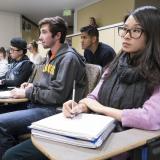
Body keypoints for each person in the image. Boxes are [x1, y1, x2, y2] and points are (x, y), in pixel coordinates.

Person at [63, 5, 160, 160]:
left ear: (152, 35)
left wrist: (102, 109)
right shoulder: (116, 63)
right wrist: (81, 106)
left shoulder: (156, 70)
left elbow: (151, 117)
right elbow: (94, 97)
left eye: (136, 30)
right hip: (97, 135)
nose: (126, 36)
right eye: (125, 29)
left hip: (125, 145)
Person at [1, 16, 87, 159]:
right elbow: (48, 83)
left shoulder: (68, 58)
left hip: (53, 110)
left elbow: (57, 95)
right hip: (39, 105)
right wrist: (33, 85)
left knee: (1, 123)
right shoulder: (52, 55)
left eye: (44, 32)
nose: (40, 37)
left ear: (58, 35)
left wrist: (28, 92)